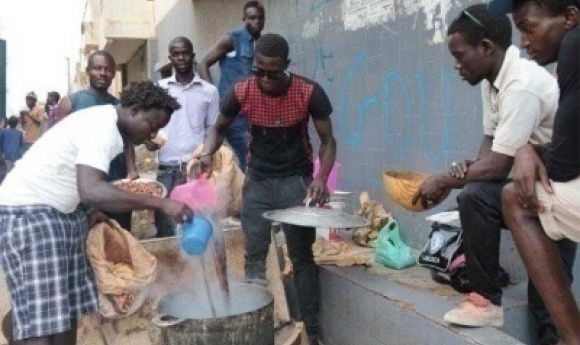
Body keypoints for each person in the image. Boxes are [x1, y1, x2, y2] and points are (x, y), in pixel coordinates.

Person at [411, 4, 575, 341]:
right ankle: (485, 298)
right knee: (474, 197)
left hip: (555, 192)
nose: (457, 66)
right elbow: (491, 149)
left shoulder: (521, 84)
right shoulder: (492, 80)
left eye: (460, 56)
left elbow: (499, 165)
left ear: (486, 48)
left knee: (546, 301)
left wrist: (446, 179)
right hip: (528, 190)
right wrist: (468, 171)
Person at [0, 81, 193, 345]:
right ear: (135, 110)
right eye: (152, 125)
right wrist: (161, 204)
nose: (153, 134)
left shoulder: (110, 127)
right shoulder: (102, 127)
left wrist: (88, 210)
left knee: (65, 315)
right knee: (41, 326)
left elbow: (75, 178)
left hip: (62, 213)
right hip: (31, 215)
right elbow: (92, 189)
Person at [199, 33, 336, 345]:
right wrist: (206, 154)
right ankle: (257, 332)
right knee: (255, 260)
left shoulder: (309, 92)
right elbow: (218, 128)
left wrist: (320, 178)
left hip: (295, 183)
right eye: (259, 71)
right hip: (258, 181)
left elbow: (328, 141)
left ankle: (312, 333)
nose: (265, 79)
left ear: (285, 66)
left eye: (272, 73)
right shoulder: (241, 91)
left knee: (302, 258)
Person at [487, 0, 580, 344]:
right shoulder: (494, 84)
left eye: (528, 28)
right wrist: (527, 150)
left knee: (516, 198)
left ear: (569, 17)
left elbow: (565, 166)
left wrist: (526, 150)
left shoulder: (574, 46)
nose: (523, 42)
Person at [57, 50, 138, 230]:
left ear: (113, 74)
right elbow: (59, 145)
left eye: (108, 70)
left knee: (120, 235)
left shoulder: (119, 106)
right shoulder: (70, 103)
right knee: (90, 239)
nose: (102, 73)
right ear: (88, 71)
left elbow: (127, 140)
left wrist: (131, 169)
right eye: (97, 68)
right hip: (84, 185)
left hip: (116, 182)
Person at [152, 36, 219, 237]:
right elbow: (150, 126)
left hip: (196, 171)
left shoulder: (209, 91)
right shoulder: (159, 90)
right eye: (176, 54)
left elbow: (214, 130)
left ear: (192, 56)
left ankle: (201, 269)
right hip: (166, 172)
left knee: (199, 229)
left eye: (185, 53)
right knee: (166, 232)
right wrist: (150, 140)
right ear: (170, 57)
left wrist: (206, 156)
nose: (181, 57)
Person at [199, 1, 265, 171]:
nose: (256, 21)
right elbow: (203, 63)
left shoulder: (262, 44)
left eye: (260, 18)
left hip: (256, 112)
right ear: (244, 19)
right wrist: (214, 95)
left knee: (256, 158)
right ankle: (250, 194)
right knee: (248, 158)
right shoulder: (232, 39)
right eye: (251, 18)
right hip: (235, 113)